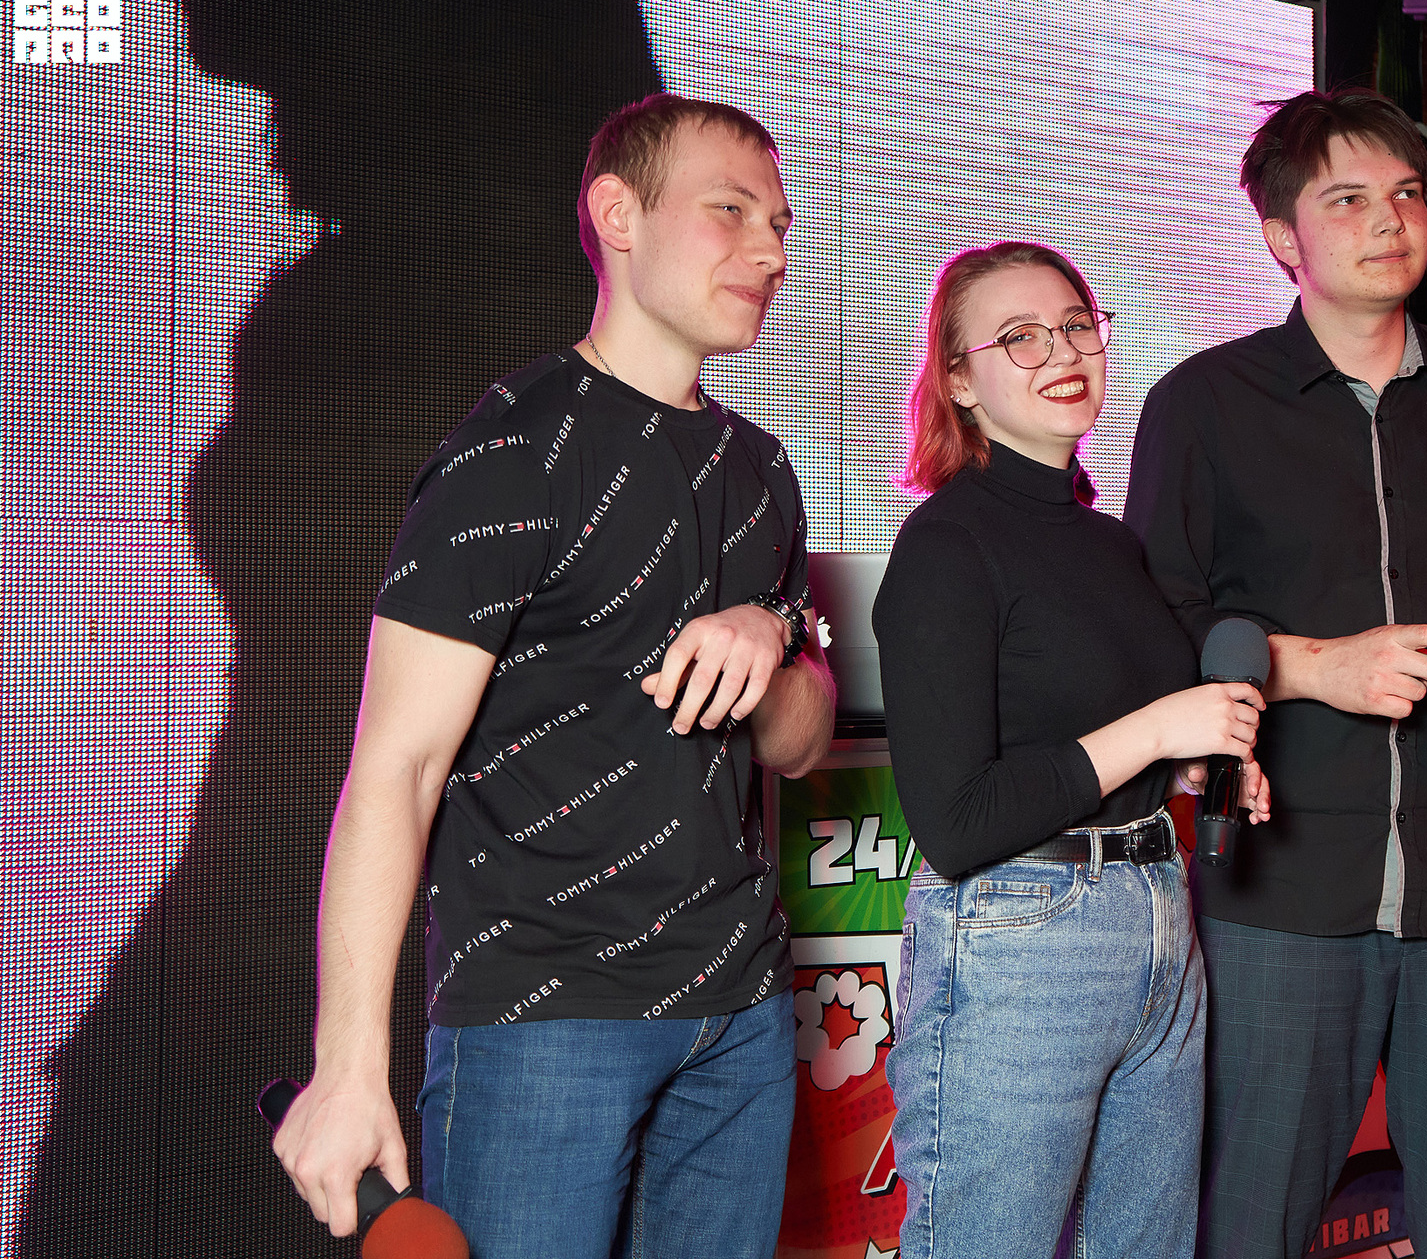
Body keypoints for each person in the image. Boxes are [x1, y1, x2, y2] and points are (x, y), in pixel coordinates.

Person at [269, 93, 835, 1258]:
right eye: (732, 212)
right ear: (619, 215)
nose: (773, 251)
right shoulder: (516, 446)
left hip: (736, 1013)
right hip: (545, 1017)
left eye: (780, 224)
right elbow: (397, 765)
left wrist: (770, 639)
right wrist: (348, 1065)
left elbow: (800, 740)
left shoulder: (765, 470)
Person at [1125, 88, 1427, 1259]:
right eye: (1348, 199)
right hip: (1282, 894)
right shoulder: (1203, 404)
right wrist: (1319, 667)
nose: (1390, 220)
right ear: (1281, 236)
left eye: (1408, 195)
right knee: (1249, 1224)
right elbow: (1156, 625)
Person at [873, 241, 1272, 1259]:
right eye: (1020, 336)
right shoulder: (946, 543)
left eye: (1076, 325)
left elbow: (1095, 732)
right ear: (960, 380)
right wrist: (1159, 729)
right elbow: (956, 823)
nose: (1062, 351)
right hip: (1022, 938)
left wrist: (1193, 763)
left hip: (1158, 912)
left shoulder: (1110, 542)